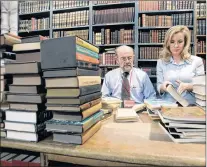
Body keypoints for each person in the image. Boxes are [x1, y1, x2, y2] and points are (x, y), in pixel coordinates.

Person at [157, 25, 205, 105]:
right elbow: (159, 86)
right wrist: (163, 87)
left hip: (191, 107)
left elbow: (202, 88)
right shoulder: (161, 62)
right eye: (172, 42)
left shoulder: (197, 61)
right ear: (168, 43)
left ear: (185, 43)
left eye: (180, 41)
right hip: (168, 106)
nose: (176, 46)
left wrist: (188, 86)